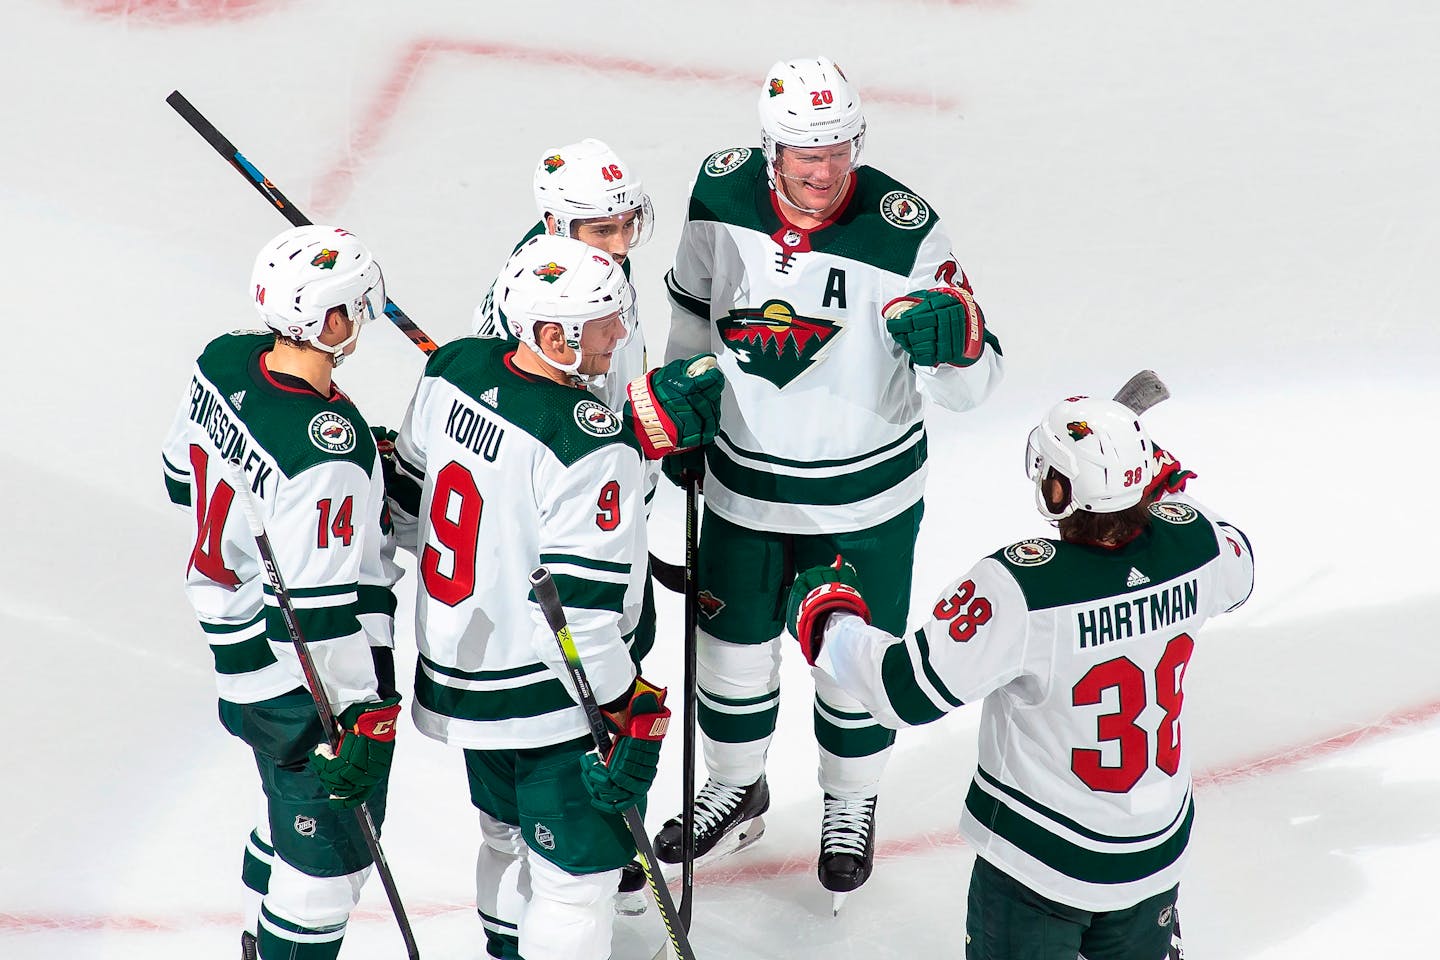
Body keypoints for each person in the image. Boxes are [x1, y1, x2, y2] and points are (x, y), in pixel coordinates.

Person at [655, 54, 1005, 902]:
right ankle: (737, 786)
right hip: (742, 485)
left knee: (852, 666)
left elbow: (974, 381)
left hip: (865, 500)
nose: (826, 174)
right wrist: (680, 405)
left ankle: (851, 803)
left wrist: (956, 345)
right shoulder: (720, 191)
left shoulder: (904, 227)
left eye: (841, 151)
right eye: (808, 158)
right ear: (771, 150)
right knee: (730, 654)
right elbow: (692, 313)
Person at [785, 395, 1254, 957]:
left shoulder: (1020, 588)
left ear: (1060, 491)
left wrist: (830, 621)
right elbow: (1241, 564)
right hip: (1153, 856)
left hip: (1042, 863)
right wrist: (1171, 491)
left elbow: (902, 691)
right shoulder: (1198, 543)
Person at [387, 234, 710, 960]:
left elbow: (405, 509)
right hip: (552, 702)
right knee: (576, 884)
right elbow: (580, 625)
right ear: (553, 333)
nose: (621, 334)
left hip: (459, 676)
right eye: (603, 323)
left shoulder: (452, 369)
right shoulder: (593, 447)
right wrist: (624, 709)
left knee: (503, 840)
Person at [474, 137, 724, 907]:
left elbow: (609, 388)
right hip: (570, 531)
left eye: (626, 225)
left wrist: (646, 434)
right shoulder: (534, 302)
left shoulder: (589, 276)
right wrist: (642, 430)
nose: (619, 246)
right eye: (601, 231)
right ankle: (587, 860)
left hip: (616, 504)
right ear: (554, 224)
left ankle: (604, 853)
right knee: (602, 690)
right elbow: (540, 438)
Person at [161, 225, 403, 960]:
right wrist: (360, 712)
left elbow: (180, 476)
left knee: (284, 812)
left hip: (232, 644)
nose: (361, 317)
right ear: (331, 321)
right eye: (355, 306)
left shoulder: (223, 357)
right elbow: (317, 616)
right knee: (328, 865)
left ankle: (258, 942)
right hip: (302, 683)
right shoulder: (325, 446)